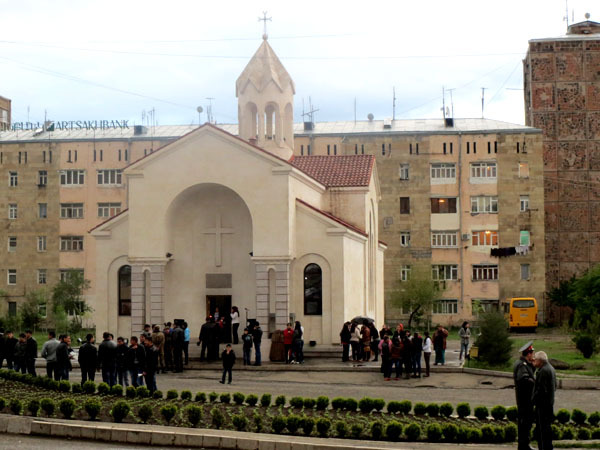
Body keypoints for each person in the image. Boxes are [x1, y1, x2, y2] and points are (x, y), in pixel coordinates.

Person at [532, 351, 557, 450]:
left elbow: (540, 390)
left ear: (540, 361)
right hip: (549, 404)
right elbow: (554, 386)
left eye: (535, 359)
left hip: (542, 405)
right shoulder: (551, 368)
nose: (534, 361)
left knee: (542, 431)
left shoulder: (543, 371)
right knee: (547, 429)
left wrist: (533, 400)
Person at [513, 341, 536, 450]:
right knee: (524, 423)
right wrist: (534, 382)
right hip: (524, 399)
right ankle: (523, 445)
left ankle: (525, 444)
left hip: (526, 399)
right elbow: (524, 380)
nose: (533, 355)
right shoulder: (522, 365)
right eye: (532, 353)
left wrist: (532, 365)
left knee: (527, 422)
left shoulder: (525, 364)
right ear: (528, 354)